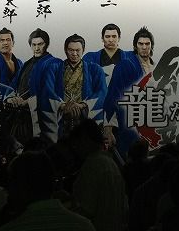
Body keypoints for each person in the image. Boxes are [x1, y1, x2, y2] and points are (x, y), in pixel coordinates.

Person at [103, 26, 159, 156]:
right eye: (140, 44)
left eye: (147, 44)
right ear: (135, 46)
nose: (144, 47)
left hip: (153, 120)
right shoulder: (126, 65)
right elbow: (113, 95)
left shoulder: (157, 69)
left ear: (151, 46)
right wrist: (108, 129)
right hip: (131, 121)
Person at [5, 28, 62, 145]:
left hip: (40, 116)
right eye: (34, 44)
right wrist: (11, 98)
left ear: (46, 44)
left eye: (40, 44)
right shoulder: (26, 64)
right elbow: (13, 86)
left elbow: (51, 92)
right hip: (21, 116)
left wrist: (27, 102)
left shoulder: (54, 63)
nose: (37, 48)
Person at [57, 34, 107, 138]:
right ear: (65, 50)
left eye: (77, 50)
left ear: (83, 50)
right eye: (71, 50)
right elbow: (48, 92)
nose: (74, 54)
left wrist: (83, 105)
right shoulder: (55, 69)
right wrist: (62, 105)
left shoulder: (95, 69)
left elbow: (102, 92)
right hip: (62, 118)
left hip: (85, 117)